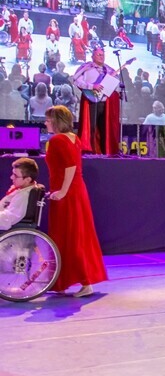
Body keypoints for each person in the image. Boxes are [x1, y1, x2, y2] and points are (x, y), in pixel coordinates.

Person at [44, 105, 108, 297]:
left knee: (69, 236)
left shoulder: (57, 140)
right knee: (77, 234)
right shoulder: (74, 138)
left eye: (48, 120)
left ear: (56, 121)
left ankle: (83, 282)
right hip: (76, 191)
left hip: (67, 192)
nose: (46, 123)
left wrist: (62, 191)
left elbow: (70, 166)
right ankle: (63, 282)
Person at [72, 46, 121, 155]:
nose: (101, 57)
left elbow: (116, 82)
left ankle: (104, 152)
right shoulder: (86, 68)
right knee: (91, 127)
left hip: (104, 103)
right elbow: (76, 80)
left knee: (104, 128)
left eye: (103, 55)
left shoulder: (108, 69)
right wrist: (92, 86)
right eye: (99, 55)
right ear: (92, 56)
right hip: (90, 101)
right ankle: (89, 151)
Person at [0, 158, 40, 230]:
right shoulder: (21, 189)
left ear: (28, 179)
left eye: (15, 175)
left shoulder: (23, 196)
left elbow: (8, 218)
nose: (11, 177)